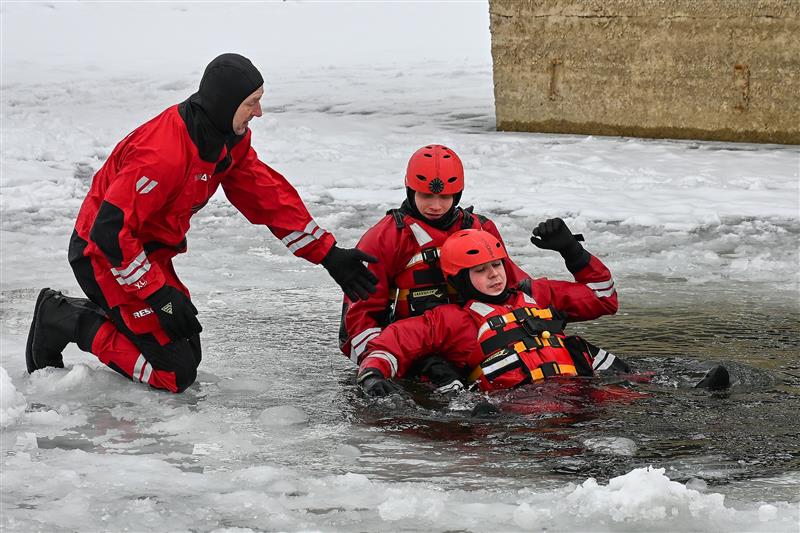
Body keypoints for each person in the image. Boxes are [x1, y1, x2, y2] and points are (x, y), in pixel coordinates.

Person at [25, 53, 378, 393]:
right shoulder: (162, 154)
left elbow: (267, 196)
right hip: (103, 255)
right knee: (173, 374)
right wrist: (157, 294)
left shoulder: (225, 139)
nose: (259, 112)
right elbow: (109, 234)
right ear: (225, 103)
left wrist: (328, 254)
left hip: (147, 254)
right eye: (251, 102)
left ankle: (118, 315)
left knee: (186, 350)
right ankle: (66, 318)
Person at [339, 144, 529, 389]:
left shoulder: (481, 229)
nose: (436, 206)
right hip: (412, 350)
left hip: (477, 345)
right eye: (426, 196)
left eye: (445, 197)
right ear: (410, 190)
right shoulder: (384, 238)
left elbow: (516, 290)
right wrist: (381, 367)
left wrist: (571, 253)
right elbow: (356, 323)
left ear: (458, 195)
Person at [356, 224, 628, 396]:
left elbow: (603, 297)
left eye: (496, 266)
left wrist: (572, 251)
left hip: (588, 393)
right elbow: (392, 345)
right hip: (523, 412)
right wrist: (372, 374)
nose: (494, 276)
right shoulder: (452, 320)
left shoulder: (538, 295)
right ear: (460, 278)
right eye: (480, 270)